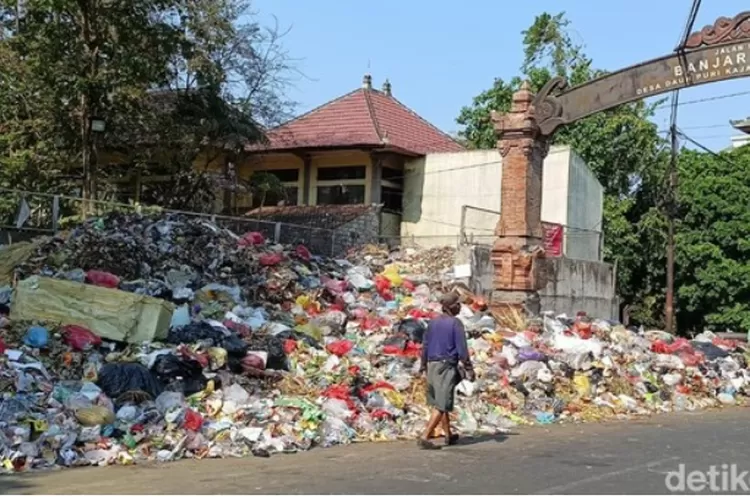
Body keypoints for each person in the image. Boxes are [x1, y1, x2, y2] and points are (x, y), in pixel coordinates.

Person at [418, 291, 474, 450]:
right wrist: (469, 368)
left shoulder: (433, 323)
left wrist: (423, 366)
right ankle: (425, 436)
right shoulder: (455, 323)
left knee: (441, 399)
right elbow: (462, 348)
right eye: (458, 304)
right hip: (446, 366)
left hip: (432, 365)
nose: (460, 307)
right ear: (451, 307)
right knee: (442, 403)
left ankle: (448, 434)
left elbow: (426, 346)